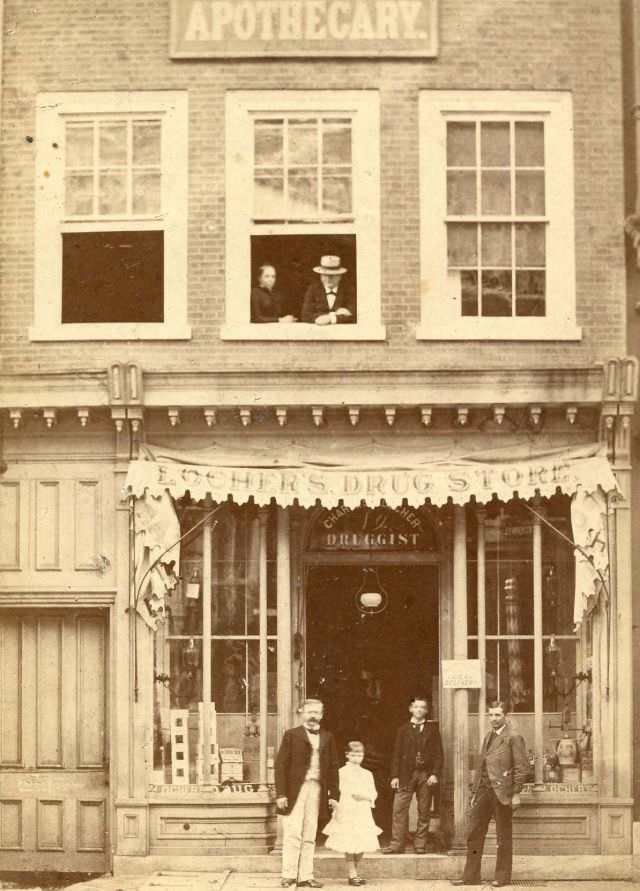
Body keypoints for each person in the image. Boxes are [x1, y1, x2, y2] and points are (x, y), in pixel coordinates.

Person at [451, 701, 529, 888]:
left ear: (506, 717)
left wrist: (516, 793)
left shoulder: (514, 737)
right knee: (474, 833)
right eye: (491, 715)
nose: (493, 719)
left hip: (503, 793)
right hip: (484, 792)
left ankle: (502, 877)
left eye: (497, 715)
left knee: (503, 837)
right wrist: (474, 792)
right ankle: (471, 877)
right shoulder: (488, 737)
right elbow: (481, 766)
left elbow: (522, 767)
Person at [275, 698, 339, 889]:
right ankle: (288, 875)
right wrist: (281, 794)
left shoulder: (328, 737)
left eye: (317, 712)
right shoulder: (291, 735)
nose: (313, 716)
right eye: (310, 711)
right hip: (295, 790)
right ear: (301, 712)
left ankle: (306, 876)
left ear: (322, 714)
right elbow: (281, 766)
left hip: (317, 789)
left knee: (310, 834)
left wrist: (334, 795)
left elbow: (334, 767)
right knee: (292, 833)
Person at [382, 696, 443, 854]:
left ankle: (420, 844)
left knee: (424, 810)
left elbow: (438, 755)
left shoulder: (433, 731)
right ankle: (397, 844)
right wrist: (395, 775)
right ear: (411, 709)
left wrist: (434, 774)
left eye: (423, 707)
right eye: (416, 707)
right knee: (399, 809)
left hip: (425, 774)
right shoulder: (403, 730)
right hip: (405, 775)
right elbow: (396, 754)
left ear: (427, 710)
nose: (419, 710)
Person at [323, 741, 382, 886]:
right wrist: (336, 806)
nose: (357, 757)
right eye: (354, 754)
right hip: (347, 808)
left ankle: (355, 872)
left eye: (360, 754)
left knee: (362, 841)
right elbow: (337, 790)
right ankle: (352, 873)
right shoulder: (341, 772)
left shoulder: (367, 774)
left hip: (362, 810)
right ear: (347, 755)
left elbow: (373, 792)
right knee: (350, 840)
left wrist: (367, 797)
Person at [301, 255, 356, 325]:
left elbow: (354, 315)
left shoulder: (348, 290)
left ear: (340, 276)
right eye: (325, 275)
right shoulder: (312, 289)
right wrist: (334, 316)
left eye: (332, 276)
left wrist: (330, 318)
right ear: (320, 276)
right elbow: (305, 315)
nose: (328, 279)